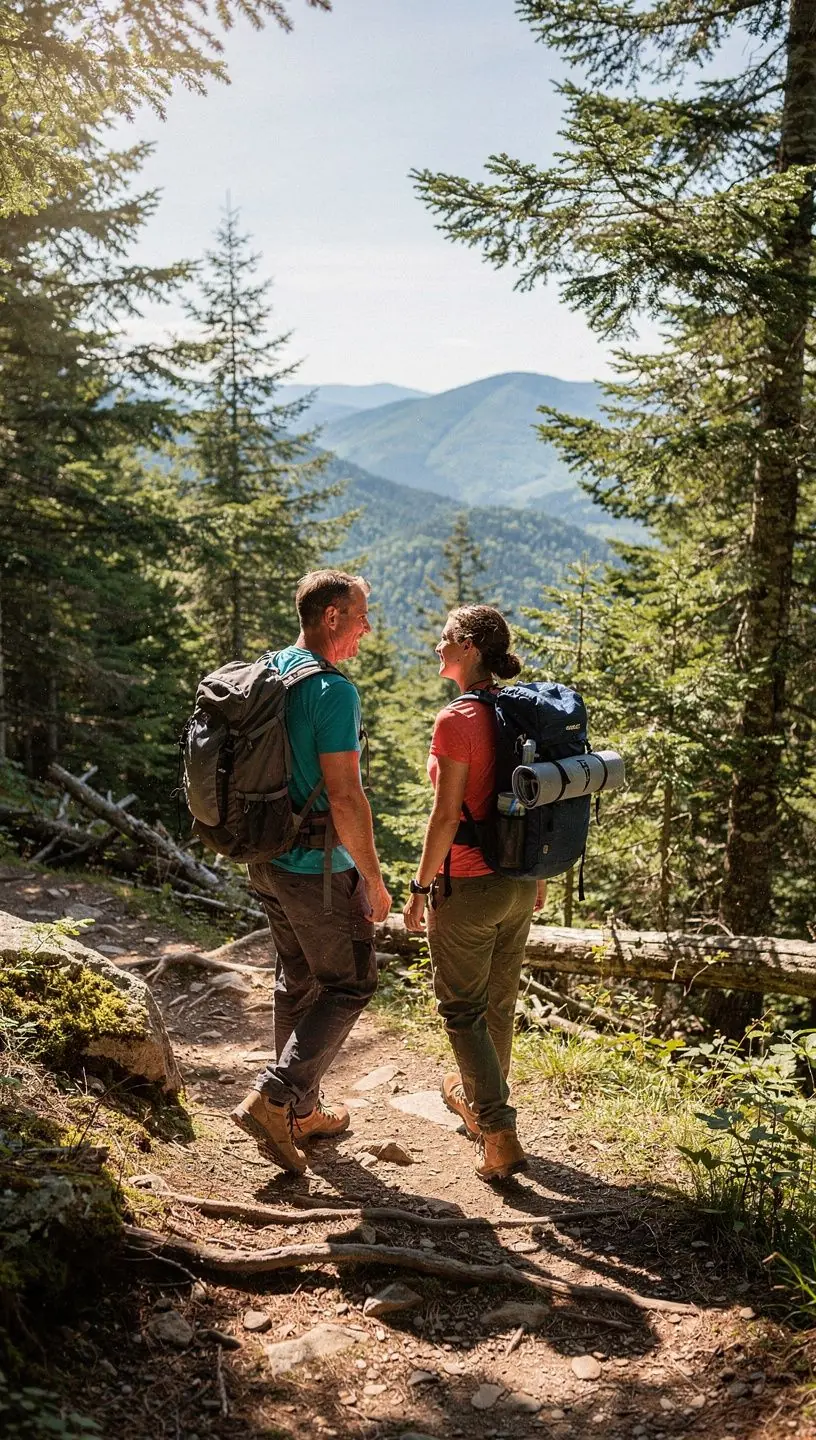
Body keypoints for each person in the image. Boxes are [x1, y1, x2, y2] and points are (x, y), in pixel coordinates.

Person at [232, 570, 392, 1174]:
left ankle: (300, 1110)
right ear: (331, 616)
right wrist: (373, 881)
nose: (366, 626)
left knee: (295, 978)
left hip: (266, 858)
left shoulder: (269, 670)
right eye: (360, 614)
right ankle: (275, 1096)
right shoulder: (332, 691)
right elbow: (347, 798)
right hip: (317, 867)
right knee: (350, 984)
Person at [402, 605, 545, 1182]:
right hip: (518, 881)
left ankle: (497, 1130)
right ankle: (483, 1105)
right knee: (499, 1003)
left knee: (461, 1010)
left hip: (468, 884)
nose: (437, 647)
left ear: (466, 645)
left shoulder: (455, 719)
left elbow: (443, 819)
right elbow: (535, 802)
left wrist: (419, 887)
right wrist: (537, 877)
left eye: (444, 640)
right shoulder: (519, 712)